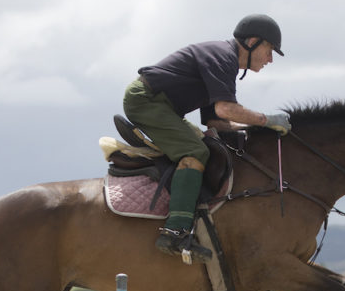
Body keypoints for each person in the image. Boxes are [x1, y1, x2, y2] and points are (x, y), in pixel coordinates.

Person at [123, 14, 292, 263]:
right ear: (253, 41)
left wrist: (257, 130)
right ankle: (174, 232)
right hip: (145, 101)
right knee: (195, 152)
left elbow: (217, 122)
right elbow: (226, 109)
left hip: (161, 106)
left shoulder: (225, 62)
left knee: (208, 146)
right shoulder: (222, 57)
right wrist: (267, 120)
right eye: (269, 51)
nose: (270, 59)